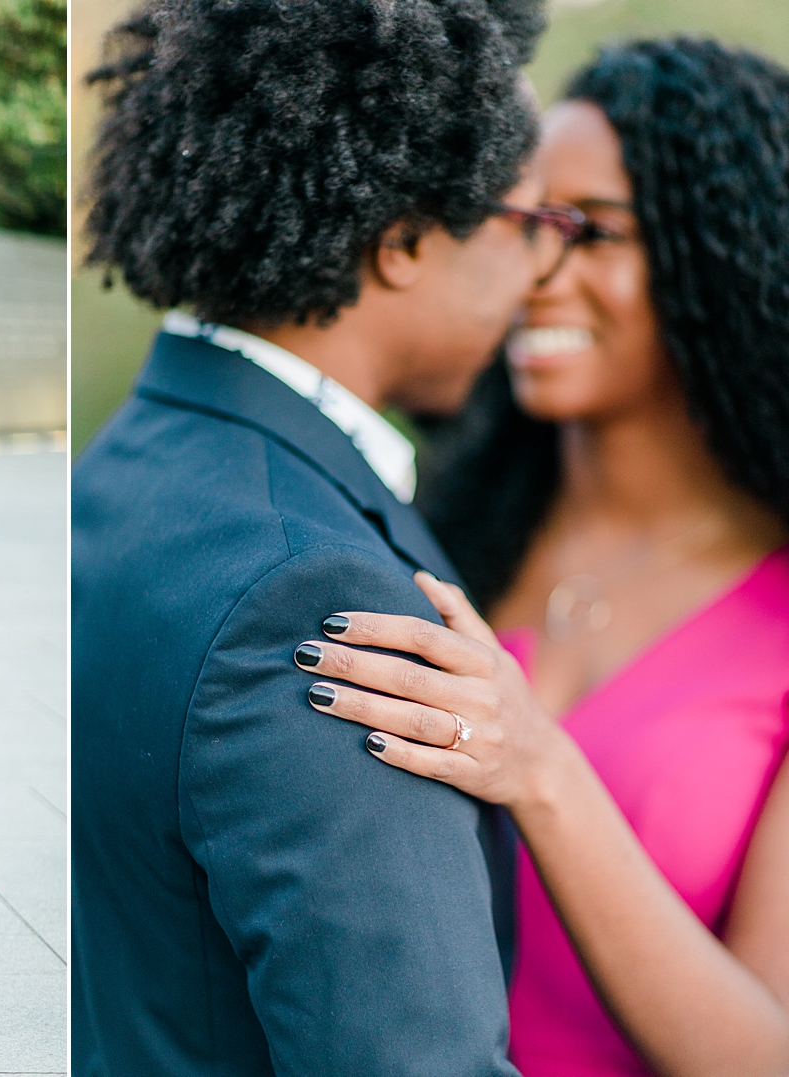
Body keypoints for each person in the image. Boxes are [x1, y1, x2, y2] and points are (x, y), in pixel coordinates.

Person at [71, 0, 562, 1071]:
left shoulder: (123, 464)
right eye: (533, 224)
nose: (540, 274)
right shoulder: (319, 594)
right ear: (406, 244)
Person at [296, 39, 789, 1077]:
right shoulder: (428, 528)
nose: (533, 270)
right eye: (523, 223)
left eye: (591, 232)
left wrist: (542, 770)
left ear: (725, 251)